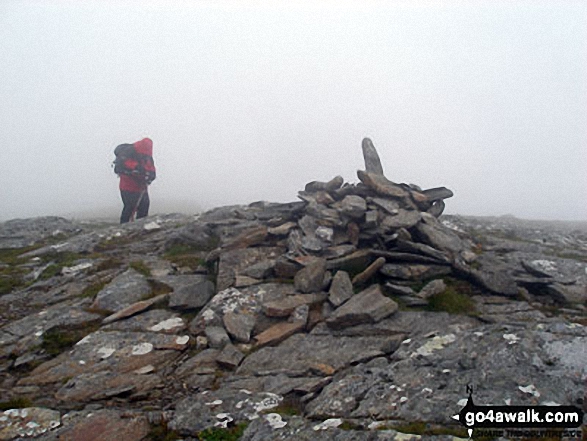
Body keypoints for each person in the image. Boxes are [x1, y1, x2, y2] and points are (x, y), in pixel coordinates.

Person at [118, 137, 156, 223]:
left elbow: (152, 169)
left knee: (144, 206)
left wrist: (151, 176)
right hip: (128, 187)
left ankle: (140, 227)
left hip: (141, 187)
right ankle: (124, 228)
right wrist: (139, 170)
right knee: (129, 208)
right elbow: (126, 166)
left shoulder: (147, 157)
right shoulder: (128, 154)